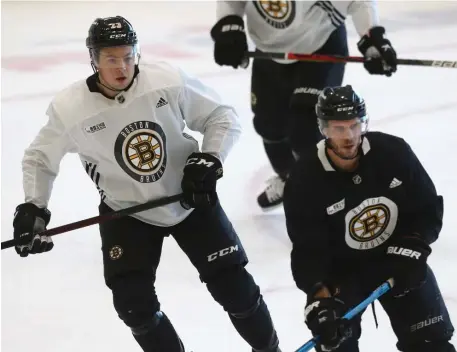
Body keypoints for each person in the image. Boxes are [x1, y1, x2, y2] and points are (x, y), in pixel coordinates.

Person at [12, 16, 282, 352]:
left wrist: (210, 158)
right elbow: (40, 158)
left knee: (236, 290)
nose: (122, 67)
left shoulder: (165, 80)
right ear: (93, 59)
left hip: (190, 199)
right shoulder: (71, 108)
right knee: (133, 306)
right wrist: (33, 206)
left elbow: (222, 116)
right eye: (111, 59)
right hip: (127, 212)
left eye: (128, 56)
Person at [283, 84, 455, 351]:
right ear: (323, 129)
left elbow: (427, 209)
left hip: (398, 260)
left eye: (355, 125)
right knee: (335, 344)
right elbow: (308, 251)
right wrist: (321, 301)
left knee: (433, 344)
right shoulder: (304, 179)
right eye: (339, 128)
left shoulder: (393, 153)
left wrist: (412, 247)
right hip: (343, 275)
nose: (350, 136)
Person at [210, 1, 398, 210]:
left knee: (305, 128)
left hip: (320, 43)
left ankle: (326, 192)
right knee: (268, 125)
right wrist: (229, 24)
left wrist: (372, 39)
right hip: (268, 49)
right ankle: (290, 179)